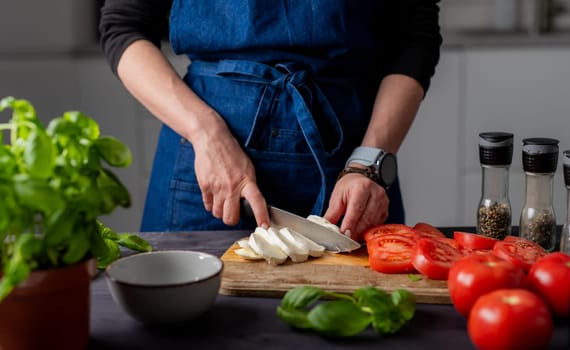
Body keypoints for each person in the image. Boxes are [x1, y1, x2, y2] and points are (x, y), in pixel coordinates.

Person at [99, 0, 442, 241]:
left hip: (352, 168)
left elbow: (415, 34)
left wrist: (369, 161)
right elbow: (123, 26)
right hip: (206, 170)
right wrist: (207, 135)